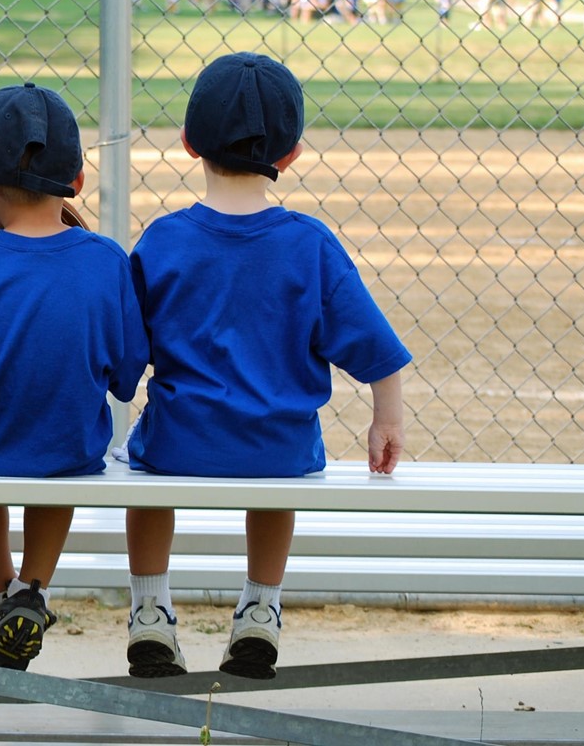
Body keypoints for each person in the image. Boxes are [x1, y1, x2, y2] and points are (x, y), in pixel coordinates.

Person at [123, 53, 410, 681]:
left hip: (180, 444)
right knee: (280, 469)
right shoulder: (310, 244)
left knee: (140, 469)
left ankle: (149, 613)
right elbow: (373, 345)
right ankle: (259, 611)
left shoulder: (163, 240)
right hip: (280, 449)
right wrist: (386, 417)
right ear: (292, 154)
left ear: (189, 142)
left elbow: (124, 354)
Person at [0, 83, 148, 672]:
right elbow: (127, 378)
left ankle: (1, 590)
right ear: (76, 181)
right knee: (61, 444)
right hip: (67, 449)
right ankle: (33, 588)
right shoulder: (107, 262)